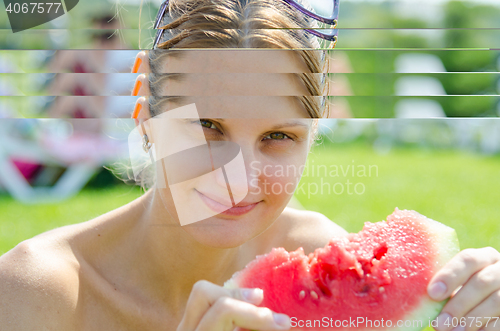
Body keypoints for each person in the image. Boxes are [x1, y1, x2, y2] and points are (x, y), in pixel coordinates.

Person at [1, 1, 500, 331]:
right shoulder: (39, 292)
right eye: (207, 128)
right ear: (144, 106)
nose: (238, 177)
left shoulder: (322, 257)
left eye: (278, 136)